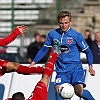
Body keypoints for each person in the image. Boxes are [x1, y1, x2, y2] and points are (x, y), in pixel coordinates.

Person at [30, 11, 95, 100]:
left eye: (66, 23)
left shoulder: (76, 35)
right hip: (61, 70)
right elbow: (44, 49)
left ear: (70, 22)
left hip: (75, 69)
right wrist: (33, 62)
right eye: (61, 23)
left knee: (79, 92)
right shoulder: (53, 34)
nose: (63, 25)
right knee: (59, 91)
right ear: (58, 22)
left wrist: (90, 66)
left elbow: (88, 51)